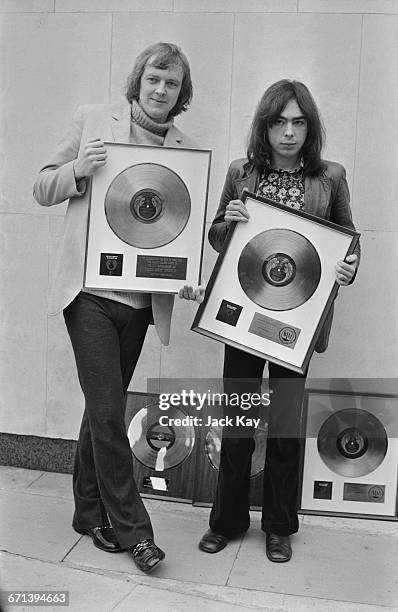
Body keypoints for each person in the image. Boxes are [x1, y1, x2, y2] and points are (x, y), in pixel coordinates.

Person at [33, 42, 197, 573]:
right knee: (109, 413)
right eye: (154, 78)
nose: (160, 90)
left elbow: (174, 231)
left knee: (98, 408)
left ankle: (86, 512)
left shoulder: (184, 151)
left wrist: (189, 276)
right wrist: (78, 169)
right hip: (89, 298)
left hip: (140, 304)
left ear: (180, 94)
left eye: (171, 84)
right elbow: (41, 187)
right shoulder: (91, 120)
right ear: (139, 79)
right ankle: (135, 531)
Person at [181, 79, 360, 563]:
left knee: (284, 427)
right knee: (238, 423)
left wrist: (349, 266)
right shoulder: (243, 172)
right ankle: (227, 522)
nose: (288, 132)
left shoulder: (331, 177)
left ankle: (279, 526)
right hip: (243, 316)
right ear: (265, 124)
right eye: (279, 121)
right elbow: (219, 236)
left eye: (298, 122)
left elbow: (349, 241)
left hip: (295, 326)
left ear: (310, 127)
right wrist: (230, 221)